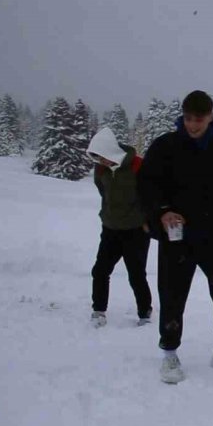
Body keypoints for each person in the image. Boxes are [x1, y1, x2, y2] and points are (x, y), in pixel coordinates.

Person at [138, 90, 213, 384]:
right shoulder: (165, 146)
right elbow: (145, 185)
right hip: (175, 237)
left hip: (206, 235)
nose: (193, 125)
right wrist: (161, 212)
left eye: (199, 119)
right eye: (189, 118)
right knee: (172, 297)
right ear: (183, 116)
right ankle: (169, 355)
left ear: (210, 118)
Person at [85, 127, 152, 328]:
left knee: (136, 274)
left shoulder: (138, 165)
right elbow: (103, 191)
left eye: (102, 157)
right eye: (96, 158)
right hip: (110, 229)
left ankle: (144, 313)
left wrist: (148, 220)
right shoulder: (101, 170)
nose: (101, 161)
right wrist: (108, 213)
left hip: (136, 230)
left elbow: (151, 195)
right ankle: (99, 310)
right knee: (100, 270)